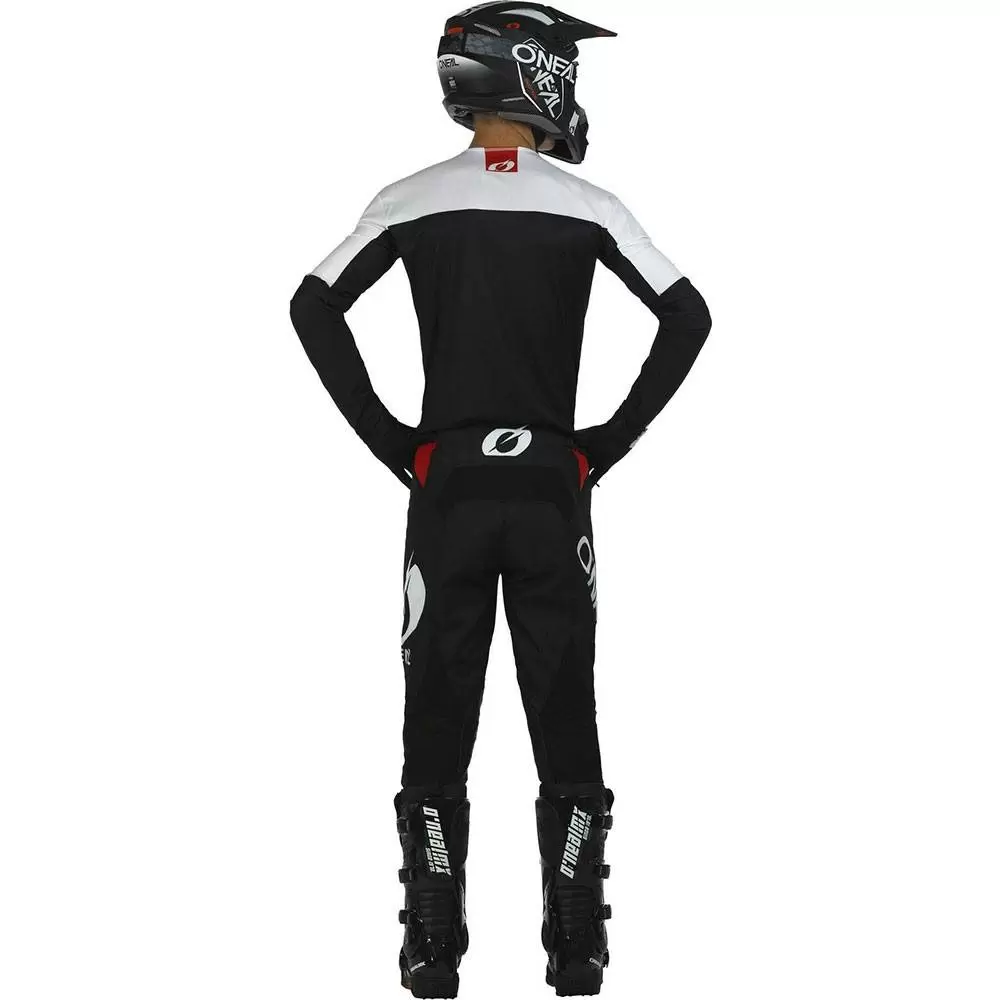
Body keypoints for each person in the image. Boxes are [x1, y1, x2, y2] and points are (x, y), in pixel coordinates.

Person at [289, 4, 711, 996]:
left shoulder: (409, 198)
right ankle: (577, 943)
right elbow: (688, 315)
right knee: (564, 705)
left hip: (446, 489)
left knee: (436, 710)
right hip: (552, 490)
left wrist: (395, 444)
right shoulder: (589, 204)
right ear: (536, 75)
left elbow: (312, 304)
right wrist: (602, 445)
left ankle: (432, 946)